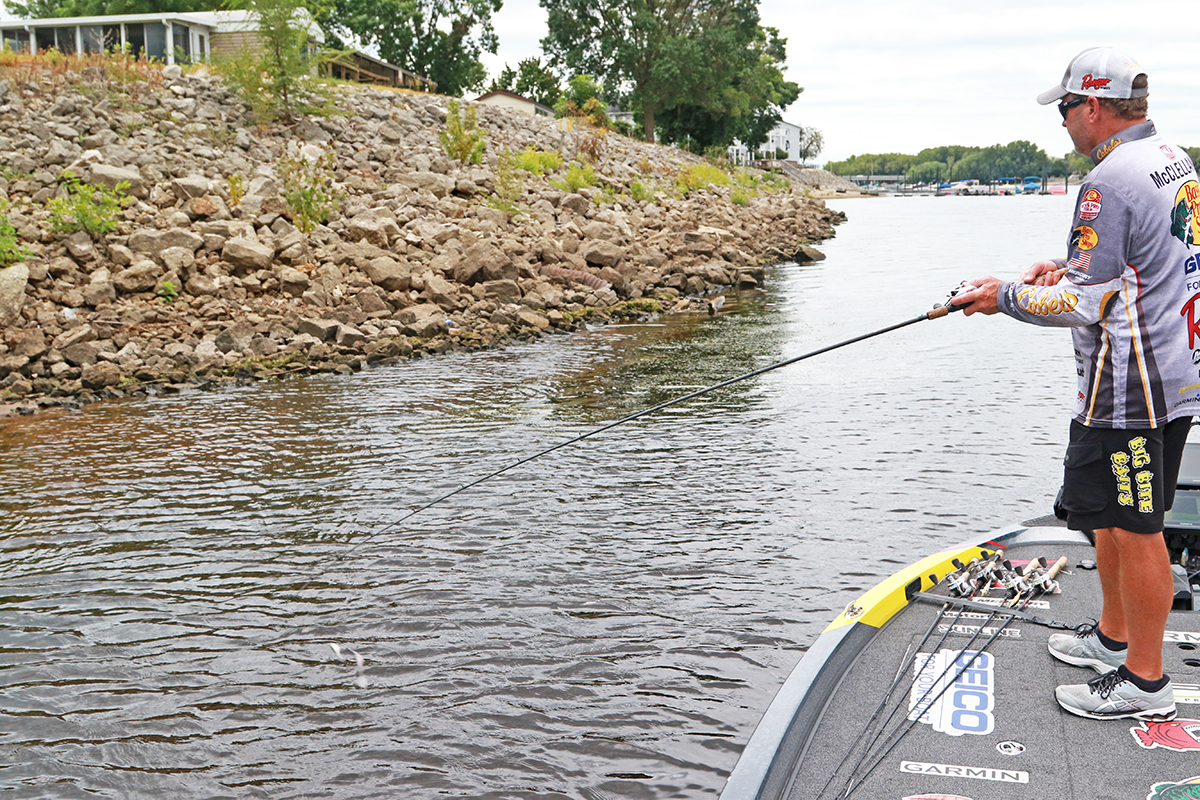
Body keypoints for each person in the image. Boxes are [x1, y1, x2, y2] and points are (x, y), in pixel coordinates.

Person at [952, 46, 1199, 721]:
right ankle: (1115, 639)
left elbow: (1083, 305)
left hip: (1133, 386)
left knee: (1135, 524)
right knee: (1104, 517)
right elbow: (1139, 260)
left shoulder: (1108, 180)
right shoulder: (1171, 158)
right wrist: (1069, 264)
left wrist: (999, 295)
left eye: (1065, 109)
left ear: (1092, 105)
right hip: (1169, 371)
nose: (1062, 123)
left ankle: (1145, 683)